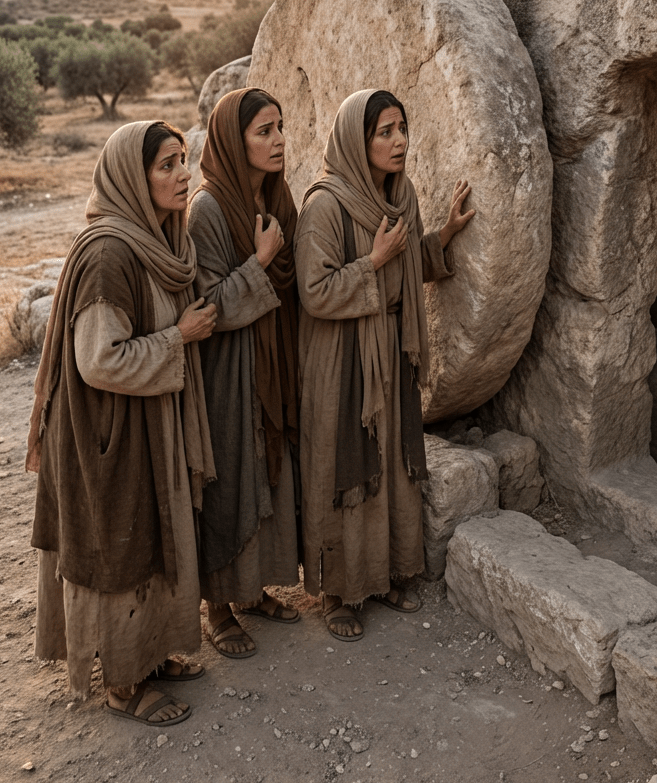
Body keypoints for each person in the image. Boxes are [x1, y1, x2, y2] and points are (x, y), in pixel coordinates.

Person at [27, 121, 217, 725]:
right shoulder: (110, 254)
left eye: (183, 161)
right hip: (108, 430)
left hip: (144, 419)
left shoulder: (154, 242)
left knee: (151, 540)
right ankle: (122, 682)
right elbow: (98, 359)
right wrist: (177, 337)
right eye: (166, 165)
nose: (182, 174)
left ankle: (151, 656)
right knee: (120, 546)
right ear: (132, 177)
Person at [294, 88, 474, 640]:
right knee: (343, 463)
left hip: (389, 350)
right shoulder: (325, 205)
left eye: (401, 128)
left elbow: (402, 264)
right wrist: (372, 261)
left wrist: (441, 235)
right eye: (384, 132)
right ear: (357, 139)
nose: (399, 142)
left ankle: (385, 572)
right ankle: (338, 592)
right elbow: (315, 291)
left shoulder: (402, 194)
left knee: (391, 460)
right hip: (341, 357)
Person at [188, 88, 302, 657]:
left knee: (270, 469)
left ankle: (253, 591)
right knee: (232, 475)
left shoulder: (280, 202)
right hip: (227, 369)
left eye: (280, 126)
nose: (278, 139)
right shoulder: (207, 210)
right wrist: (257, 262)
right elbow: (208, 306)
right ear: (235, 141)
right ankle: (219, 606)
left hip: (274, 356)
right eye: (264, 130)